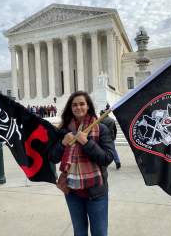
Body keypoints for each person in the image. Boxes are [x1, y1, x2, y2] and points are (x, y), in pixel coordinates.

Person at [49, 91, 114, 236]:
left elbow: (107, 158)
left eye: (82, 104)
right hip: (72, 191)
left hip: (96, 192)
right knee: (79, 232)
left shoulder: (101, 128)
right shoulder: (64, 131)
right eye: (74, 105)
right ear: (70, 108)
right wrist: (62, 143)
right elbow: (53, 158)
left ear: (88, 106)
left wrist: (86, 142)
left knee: (100, 232)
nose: (78, 107)